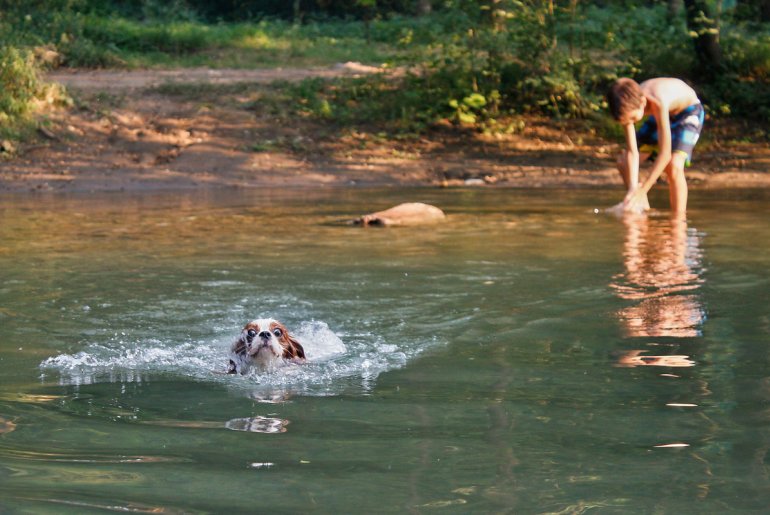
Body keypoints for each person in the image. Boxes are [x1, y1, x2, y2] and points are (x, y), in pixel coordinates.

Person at [607, 77, 705, 215]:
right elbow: (632, 152)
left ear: (642, 102)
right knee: (623, 163)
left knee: (674, 164)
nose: (631, 123)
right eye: (627, 121)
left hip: (687, 112)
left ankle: (678, 221)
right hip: (663, 115)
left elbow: (665, 155)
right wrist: (633, 189)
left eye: (633, 119)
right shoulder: (625, 106)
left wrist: (643, 189)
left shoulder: (657, 100)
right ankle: (641, 209)